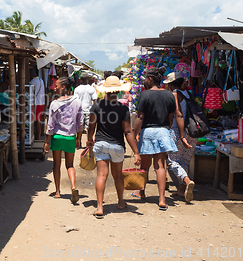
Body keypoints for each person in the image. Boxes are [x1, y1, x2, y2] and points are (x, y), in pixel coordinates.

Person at [88, 76, 141, 218]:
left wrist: (89, 140)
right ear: (118, 91)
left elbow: (91, 126)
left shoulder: (97, 105)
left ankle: (99, 207)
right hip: (117, 145)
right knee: (118, 176)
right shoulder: (123, 109)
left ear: (105, 90)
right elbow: (128, 131)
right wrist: (136, 151)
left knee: (101, 175)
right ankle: (121, 202)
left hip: (101, 144)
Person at [133, 67, 178, 210]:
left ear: (150, 79)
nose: (145, 81)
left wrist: (135, 133)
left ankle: (142, 192)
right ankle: (162, 199)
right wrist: (165, 129)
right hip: (163, 131)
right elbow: (171, 118)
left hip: (148, 132)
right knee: (160, 166)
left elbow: (140, 117)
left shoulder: (145, 95)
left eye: (146, 78)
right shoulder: (170, 95)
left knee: (144, 166)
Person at [44, 77, 83, 203]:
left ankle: (57, 192)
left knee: (56, 164)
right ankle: (73, 186)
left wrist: (46, 141)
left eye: (56, 85)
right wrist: (79, 138)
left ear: (63, 87)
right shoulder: (77, 101)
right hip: (70, 136)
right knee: (70, 165)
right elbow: (80, 122)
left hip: (57, 136)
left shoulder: (54, 103)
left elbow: (50, 125)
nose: (54, 88)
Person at [163, 72, 197, 202]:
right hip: (193, 131)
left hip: (178, 131)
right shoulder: (189, 94)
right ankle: (182, 190)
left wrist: (181, 136)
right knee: (185, 161)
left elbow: (179, 115)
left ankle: (188, 182)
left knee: (173, 161)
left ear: (171, 84)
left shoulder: (174, 94)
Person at [73, 73, 97, 147]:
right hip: (89, 110)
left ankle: (78, 141)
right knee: (89, 127)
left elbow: (75, 100)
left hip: (79, 110)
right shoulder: (92, 89)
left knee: (80, 127)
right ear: (88, 79)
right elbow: (95, 100)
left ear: (81, 79)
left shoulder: (77, 89)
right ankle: (89, 142)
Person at [30, 68, 46, 141]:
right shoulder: (41, 80)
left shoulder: (33, 81)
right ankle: (37, 137)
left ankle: (37, 138)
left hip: (36, 103)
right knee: (38, 121)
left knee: (36, 121)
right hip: (41, 103)